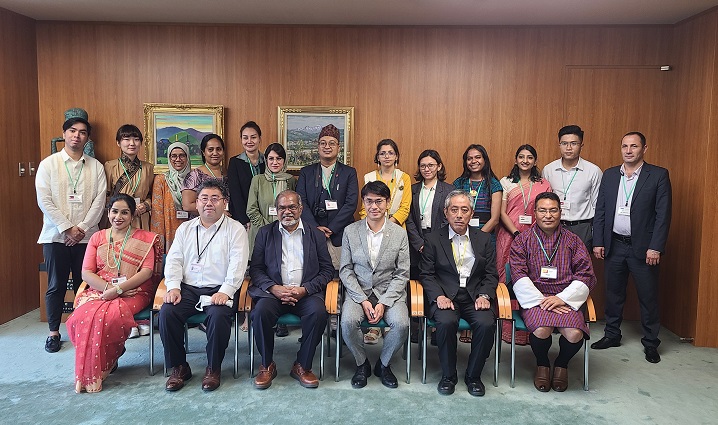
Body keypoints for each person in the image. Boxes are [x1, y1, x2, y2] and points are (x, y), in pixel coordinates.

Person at [159, 180, 249, 392]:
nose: (209, 203)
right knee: (167, 313)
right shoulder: (185, 228)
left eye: (215, 198)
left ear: (225, 203)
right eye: (204, 198)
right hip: (188, 288)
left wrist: (225, 291)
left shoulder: (235, 229)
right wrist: (173, 287)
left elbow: (238, 265)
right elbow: (174, 260)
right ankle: (179, 367)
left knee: (218, 316)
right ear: (197, 203)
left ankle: (213, 368)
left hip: (220, 288)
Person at [66, 195, 162, 393]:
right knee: (80, 317)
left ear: (132, 215)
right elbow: (86, 273)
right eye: (115, 211)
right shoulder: (97, 237)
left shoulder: (145, 238)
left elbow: (147, 272)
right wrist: (108, 289)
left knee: (110, 316)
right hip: (100, 289)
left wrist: (119, 290)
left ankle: (106, 363)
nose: (119, 217)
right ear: (108, 213)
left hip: (135, 290)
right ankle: (91, 369)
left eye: (125, 212)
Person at [591, 132, 672, 364]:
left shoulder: (658, 175)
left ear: (644, 149)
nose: (628, 150)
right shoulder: (610, 175)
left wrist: (655, 247)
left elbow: (663, 215)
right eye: (625, 146)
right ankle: (612, 335)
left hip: (644, 249)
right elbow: (600, 210)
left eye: (634, 146)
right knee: (613, 293)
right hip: (615, 244)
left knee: (648, 296)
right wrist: (598, 241)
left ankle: (651, 343)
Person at [509, 192, 596, 392]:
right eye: (542, 210)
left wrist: (561, 298)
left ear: (560, 212)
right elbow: (518, 274)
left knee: (575, 334)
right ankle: (542, 364)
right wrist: (542, 300)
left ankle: (561, 365)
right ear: (535, 213)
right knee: (541, 330)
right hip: (534, 298)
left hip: (565, 299)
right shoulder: (522, 240)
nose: (548, 215)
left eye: (553, 210)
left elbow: (586, 274)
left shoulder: (573, 241)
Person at [249, 190, 334, 389]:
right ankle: (266, 364)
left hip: (306, 293)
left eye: (292, 207)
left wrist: (305, 289)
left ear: (300, 209)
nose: (287, 212)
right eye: (282, 208)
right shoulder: (265, 233)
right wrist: (274, 288)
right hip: (274, 294)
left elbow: (327, 270)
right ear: (276, 210)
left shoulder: (315, 234)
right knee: (260, 312)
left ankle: (303, 365)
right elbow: (256, 269)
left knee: (318, 313)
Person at [36, 115, 107, 353]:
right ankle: (53, 332)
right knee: (55, 285)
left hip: (86, 237)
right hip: (55, 236)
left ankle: (81, 330)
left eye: (82, 132)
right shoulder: (49, 164)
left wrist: (82, 229)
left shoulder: (95, 166)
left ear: (87, 138)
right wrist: (67, 228)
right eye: (73, 131)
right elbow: (44, 200)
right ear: (64, 134)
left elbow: (99, 201)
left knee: (83, 286)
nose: (77, 136)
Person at [419, 190, 497, 397]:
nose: (459, 215)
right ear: (446, 212)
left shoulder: (484, 239)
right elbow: (426, 274)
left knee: (486, 323)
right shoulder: (433, 239)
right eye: (454, 210)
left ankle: (473, 376)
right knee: (445, 323)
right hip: (445, 296)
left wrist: (484, 295)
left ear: (472, 213)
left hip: (474, 296)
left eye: (464, 210)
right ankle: (448, 375)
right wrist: (438, 296)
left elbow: (491, 274)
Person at [340, 181, 410, 389]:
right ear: (363, 203)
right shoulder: (350, 231)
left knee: (401, 324)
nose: (374, 206)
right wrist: (362, 300)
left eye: (379, 201)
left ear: (388, 203)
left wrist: (384, 302)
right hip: (358, 292)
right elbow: (345, 270)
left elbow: (402, 273)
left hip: (389, 293)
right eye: (369, 201)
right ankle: (362, 363)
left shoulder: (399, 233)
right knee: (348, 322)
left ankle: (384, 364)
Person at [358, 139, 412, 344]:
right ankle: (374, 326)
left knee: (393, 275)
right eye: (383, 153)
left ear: (396, 156)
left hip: (396, 232)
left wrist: (387, 225)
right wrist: (374, 223)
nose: (387, 156)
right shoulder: (369, 177)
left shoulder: (404, 177)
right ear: (377, 156)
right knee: (374, 275)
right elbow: (364, 208)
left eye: (390, 152)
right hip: (371, 230)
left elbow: (405, 207)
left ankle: (390, 322)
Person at [452, 144, 501, 343]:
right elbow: (454, 210)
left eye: (478, 157)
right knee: (460, 271)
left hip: (484, 236)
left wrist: (476, 237)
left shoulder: (493, 184)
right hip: (459, 234)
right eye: (469, 158)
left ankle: (475, 324)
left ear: (485, 159)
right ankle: (464, 321)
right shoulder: (459, 182)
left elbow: (495, 218)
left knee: (479, 276)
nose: (474, 161)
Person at [296, 124, 358, 273]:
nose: (327, 147)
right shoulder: (306, 172)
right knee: (313, 273)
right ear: (318, 146)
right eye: (323, 143)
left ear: (338, 147)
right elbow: (301, 202)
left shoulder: (349, 173)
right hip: (312, 233)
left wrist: (332, 228)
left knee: (341, 273)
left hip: (340, 234)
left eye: (332, 143)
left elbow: (351, 203)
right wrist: (315, 228)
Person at [497, 145, 552, 282]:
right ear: (516, 160)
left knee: (532, 270)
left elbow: (547, 211)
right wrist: (516, 233)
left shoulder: (543, 184)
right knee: (506, 271)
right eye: (521, 157)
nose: (525, 161)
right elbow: (502, 212)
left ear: (535, 161)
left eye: (529, 157)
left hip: (536, 235)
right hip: (509, 233)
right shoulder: (506, 182)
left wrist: (531, 235)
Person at [542, 125, 603, 249]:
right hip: (554, 225)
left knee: (581, 261)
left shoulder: (593, 171)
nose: (568, 148)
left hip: (582, 228)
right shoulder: (548, 170)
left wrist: (598, 238)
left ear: (581, 145)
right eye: (564, 143)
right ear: (559, 145)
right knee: (553, 260)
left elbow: (597, 206)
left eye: (574, 143)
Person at [406, 150, 454, 280]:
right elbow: (408, 217)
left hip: (440, 240)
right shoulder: (412, 189)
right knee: (416, 280)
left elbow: (449, 218)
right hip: (416, 241)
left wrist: (434, 241)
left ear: (439, 166)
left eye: (431, 165)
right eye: (423, 166)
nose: (426, 169)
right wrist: (418, 243)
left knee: (438, 280)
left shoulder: (449, 190)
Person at [246, 143, 297, 252]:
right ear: (266, 160)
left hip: (284, 234)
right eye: (271, 158)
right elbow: (251, 210)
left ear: (284, 160)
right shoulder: (257, 180)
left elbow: (294, 208)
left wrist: (281, 228)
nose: (275, 162)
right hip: (260, 233)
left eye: (279, 158)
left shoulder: (291, 180)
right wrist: (268, 229)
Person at [103, 124, 155, 229]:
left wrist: (145, 205)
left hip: (140, 216)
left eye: (136, 139)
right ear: (118, 143)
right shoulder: (110, 166)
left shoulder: (148, 168)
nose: (132, 143)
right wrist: (121, 207)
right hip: (118, 217)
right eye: (127, 139)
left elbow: (151, 195)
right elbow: (105, 196)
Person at [150, 142, 192, 254]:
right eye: (174, 156)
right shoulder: (161, 180)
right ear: (169, 158)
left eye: (182, 155)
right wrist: (159, 243)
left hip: (191, 227)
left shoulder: (194, 178)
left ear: (187, 157)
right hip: (170, 228)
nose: (178, 159)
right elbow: (157, 213)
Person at [228, 121, 266, 228]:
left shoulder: (268, 161)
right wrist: (245, 220)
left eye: (253, 137)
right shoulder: (235, 162)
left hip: (265, 216)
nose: (249, 141)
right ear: (241, 140)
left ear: (260, 139)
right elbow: (235, 194)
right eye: (245, 138)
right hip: (242, 219)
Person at [182, 133, 227, 216]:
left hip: (227, 220)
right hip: (204, 221)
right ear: (203, 152)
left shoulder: (228, 172)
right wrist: (218, 212)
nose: (215, 153)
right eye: (210, 149)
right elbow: (187, 206)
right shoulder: (195, 175)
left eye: (218, 149)